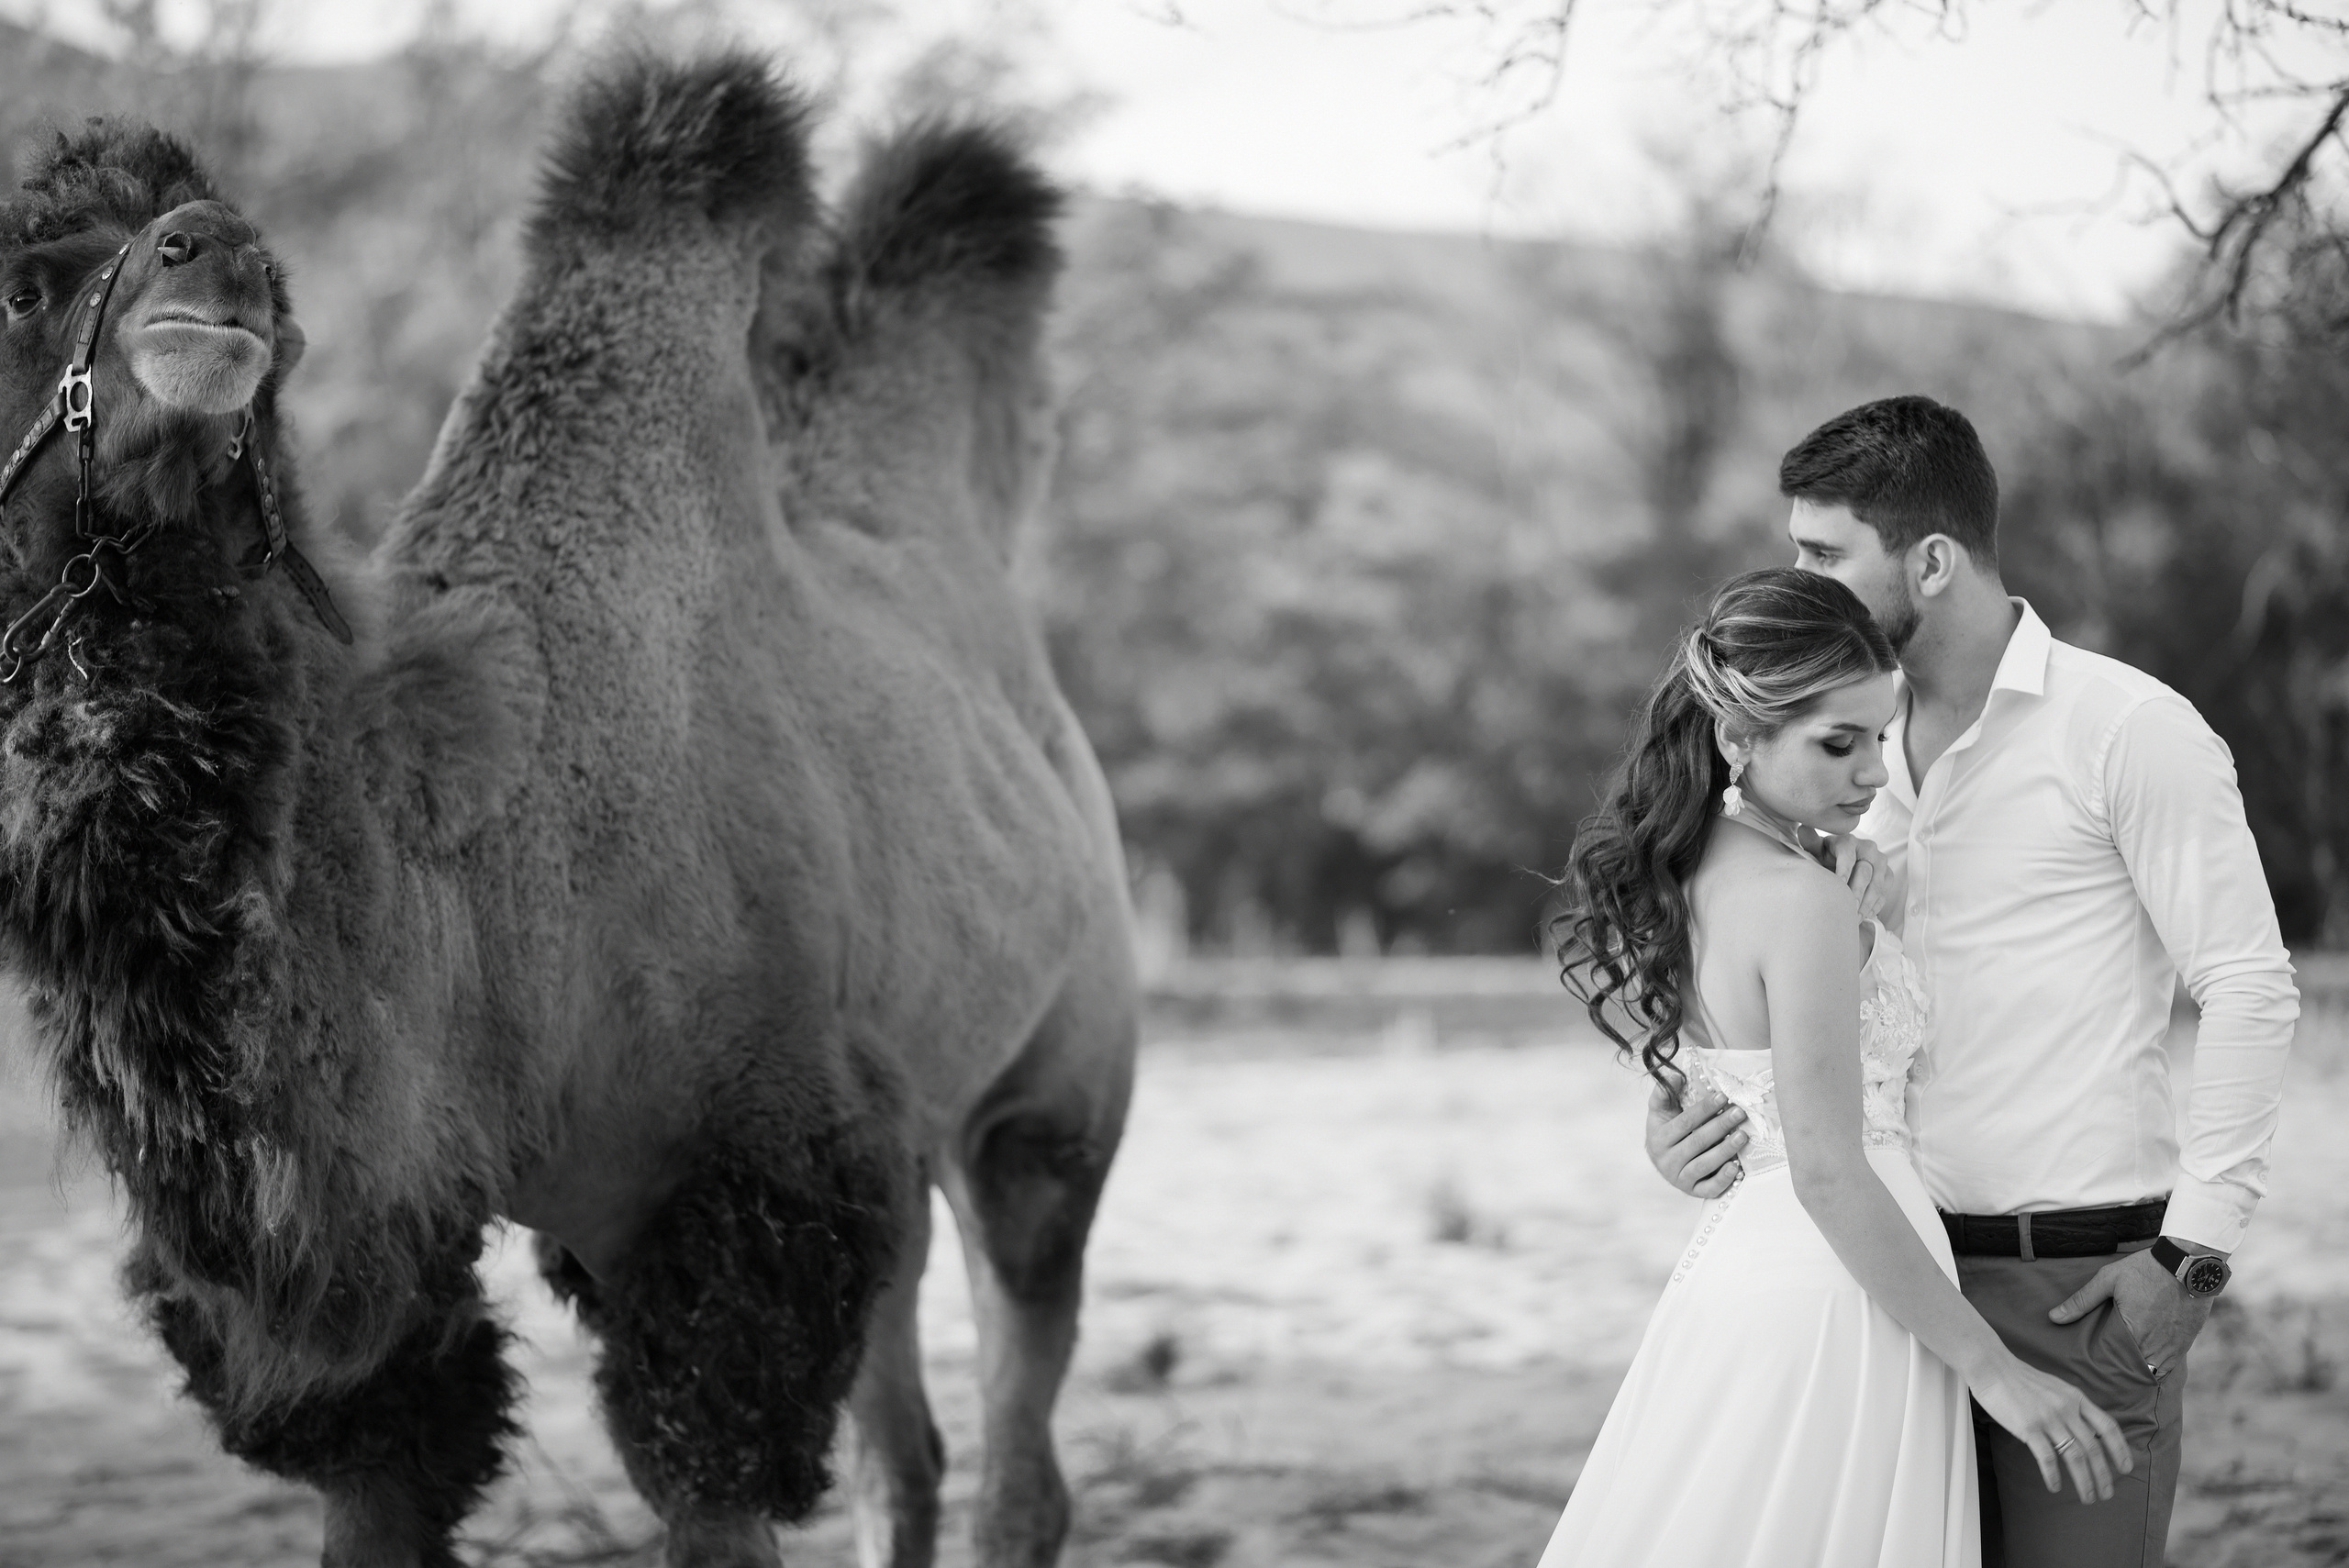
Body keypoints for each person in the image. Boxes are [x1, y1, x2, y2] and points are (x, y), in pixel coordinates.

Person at [1645, 395, 2299, 1567]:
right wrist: (1694, 1117)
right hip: (1870, 1289)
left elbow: (2248, 986)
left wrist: (2190, 1256)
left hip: (2074, 1289)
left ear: (1932, 560)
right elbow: (1764, 982)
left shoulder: (2126, 729)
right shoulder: (1830, 742)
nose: (1799, 578)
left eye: (1825, 553)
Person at [1538, 566, 2132, 1568]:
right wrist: (1996, 1371)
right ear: (1738, 736)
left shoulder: (1702, 875)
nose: (1871, 773)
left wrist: (1869, 906)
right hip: (1840, 1291)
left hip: (1756, 1272)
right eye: (1837, 742)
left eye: (1878, 736)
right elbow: (1825, 1168)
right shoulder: (1800, 898)